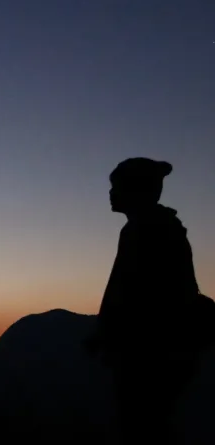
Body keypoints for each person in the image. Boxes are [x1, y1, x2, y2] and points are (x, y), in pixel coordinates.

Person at [84, 157, 201, 444]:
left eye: (117, 187)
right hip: (159, 352)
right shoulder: (157, 227)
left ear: (136, 190)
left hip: (147, 354)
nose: (111, 193)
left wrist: (108, 335)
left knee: (143, 426)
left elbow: (132, 294)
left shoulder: (144, 230)